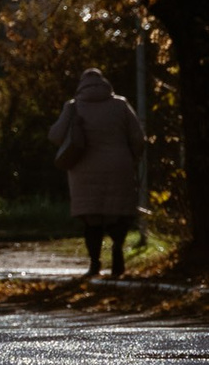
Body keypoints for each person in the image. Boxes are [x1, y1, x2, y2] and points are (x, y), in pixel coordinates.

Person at [50, 68, 147, 277]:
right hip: (119, 167)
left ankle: (95, 263)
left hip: (84, 172)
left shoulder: (74, 107)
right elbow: (138, 138)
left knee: (92, 219)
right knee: (118, 214)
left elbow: (56, 136)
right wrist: (133, 158)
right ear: (105, 83)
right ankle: (118, 252)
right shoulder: (120, 105)